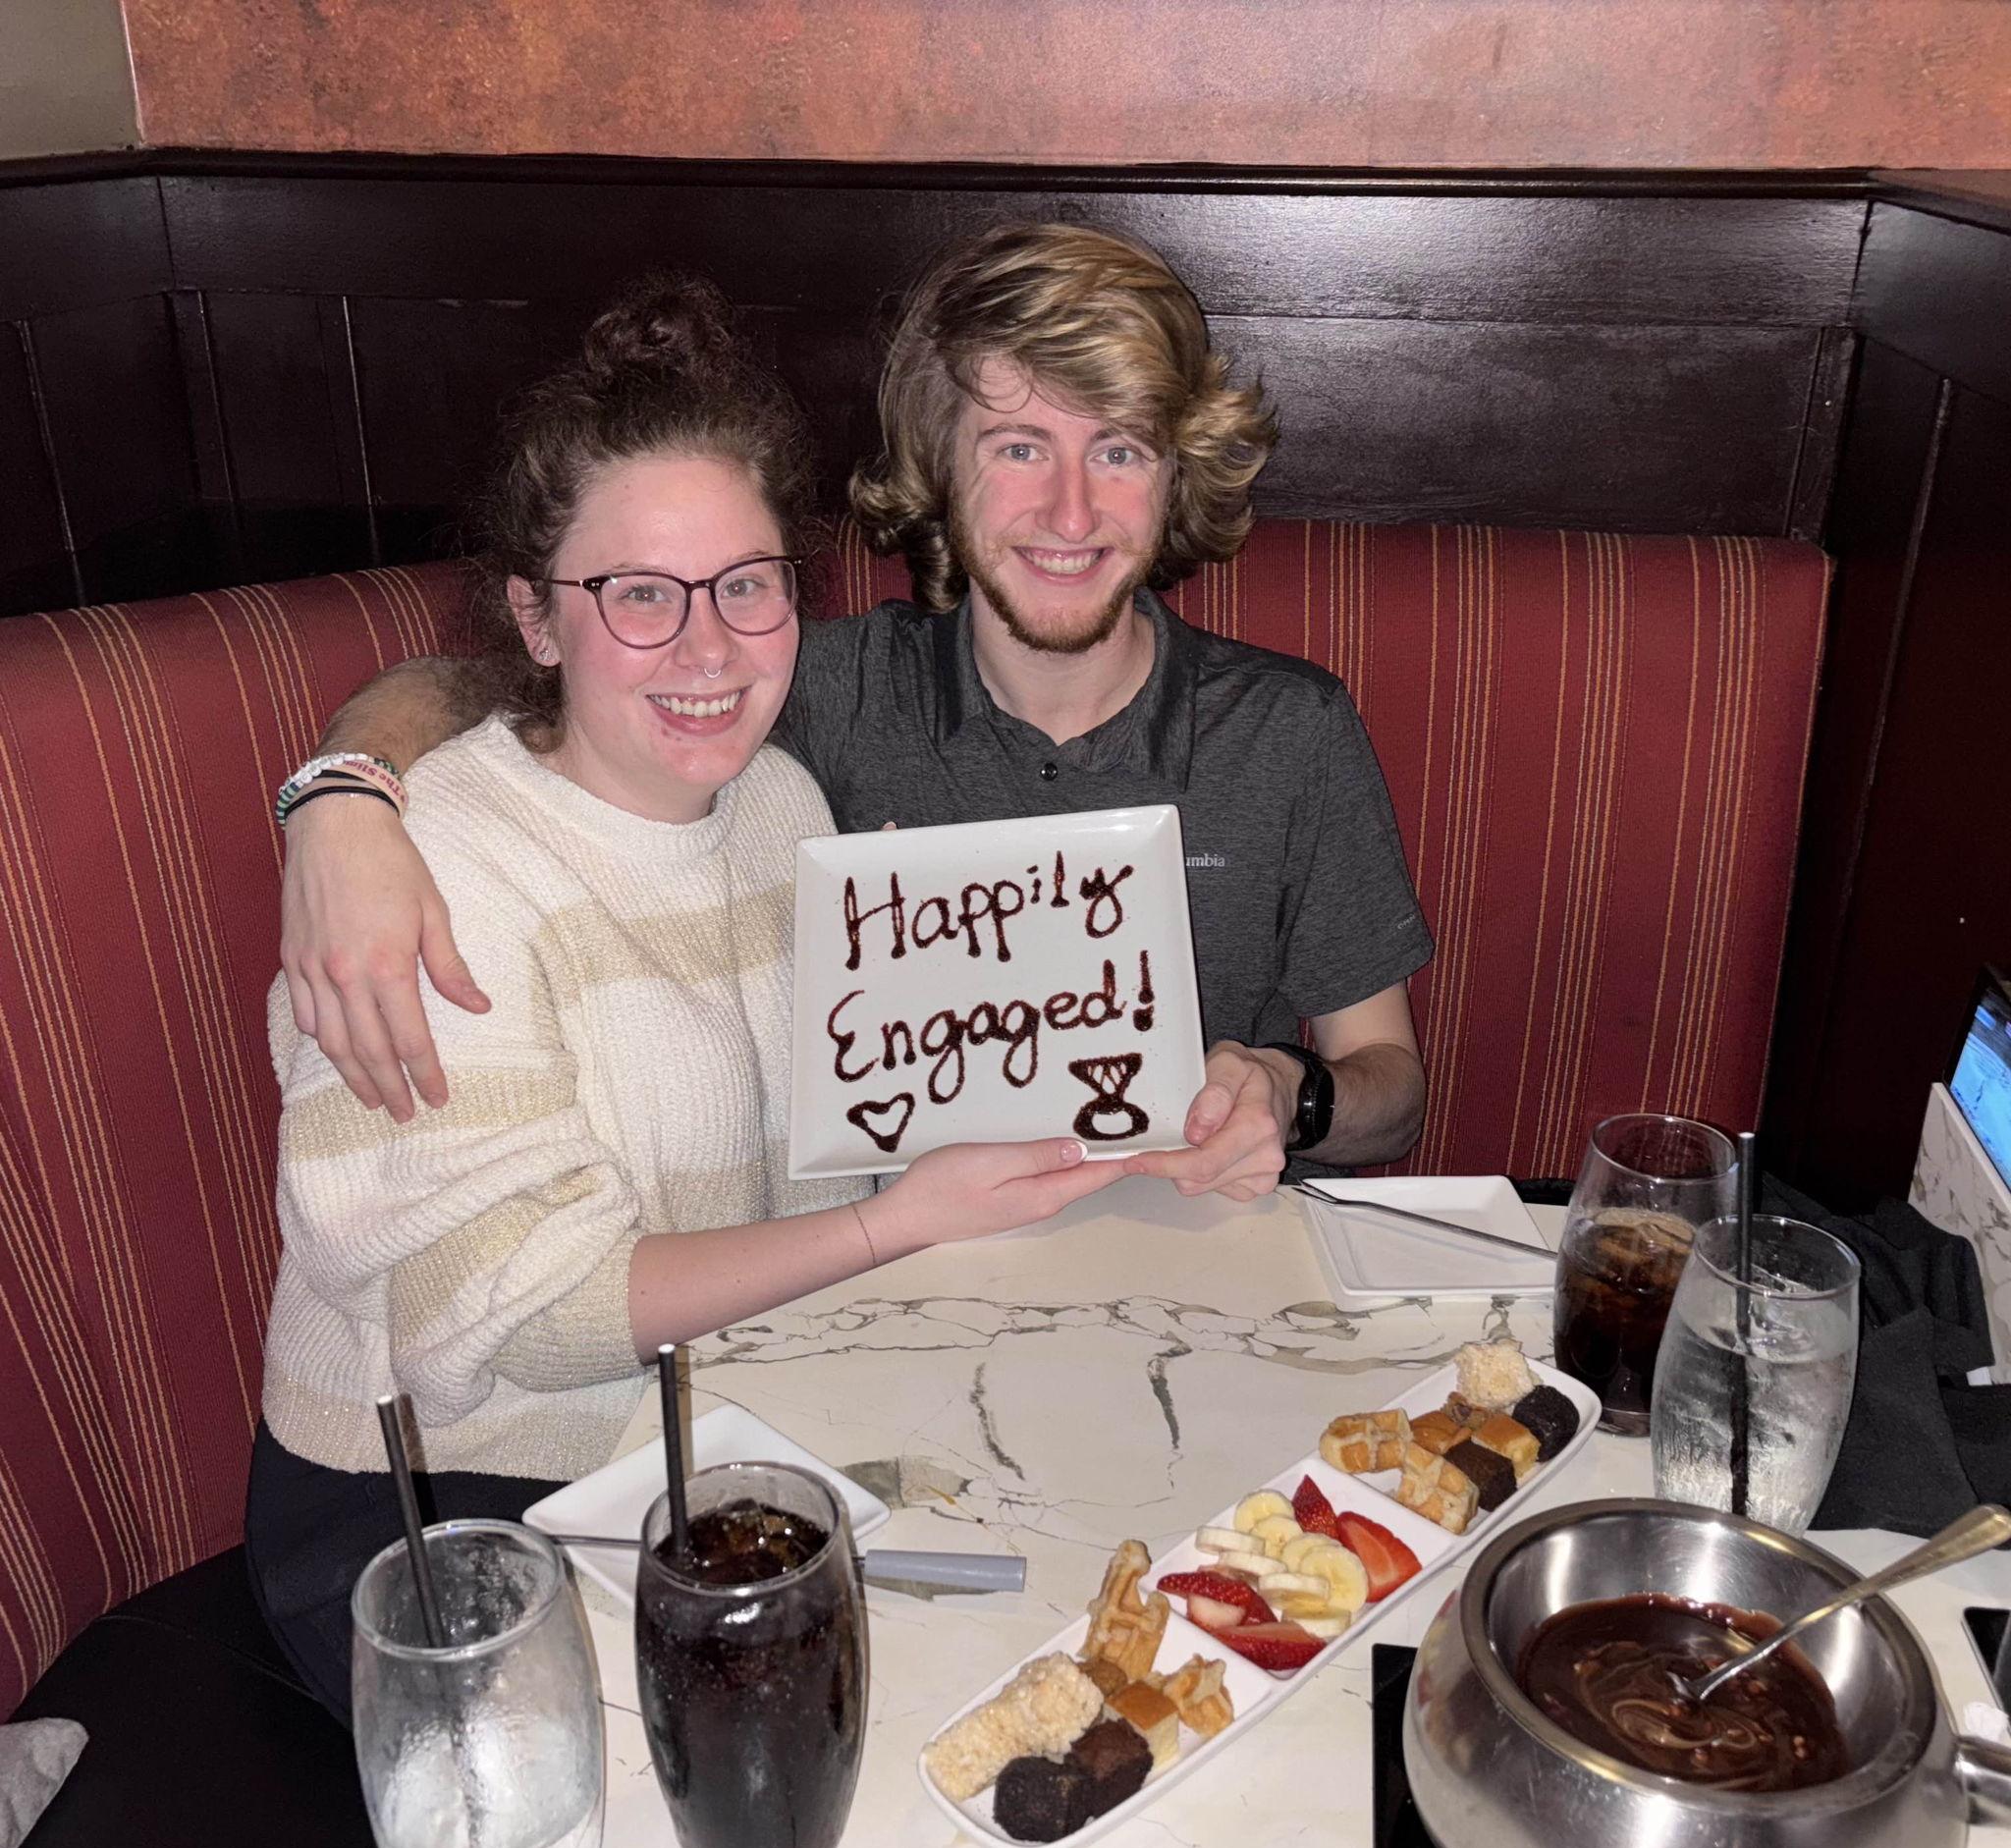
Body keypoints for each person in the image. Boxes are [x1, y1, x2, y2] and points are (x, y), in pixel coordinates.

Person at [246, 277, 1131, 1719]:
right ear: (537, 619)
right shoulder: (437, 867)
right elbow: (526, 1315)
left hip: (705, 1442)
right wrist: (896, 1221)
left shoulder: (777, 802)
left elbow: (845, 1132)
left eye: (748, 583)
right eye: (639, 595)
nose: (710, 646)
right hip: (446, 1519)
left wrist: (1055, 1056)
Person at [279, 223, 1434, 1202]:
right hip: (889, 1303)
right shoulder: (814, 692)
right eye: (1017, 446)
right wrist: (341, 796)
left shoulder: (1288, 729)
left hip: (1203, 1271)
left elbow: (1390, 1085)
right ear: (938, 463)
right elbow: (499, 686)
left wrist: (1294, 1091)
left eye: (1118, 449)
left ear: (1176, 476)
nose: (1069, 509)